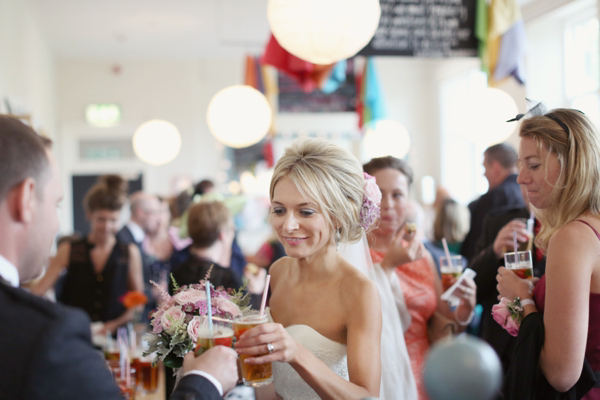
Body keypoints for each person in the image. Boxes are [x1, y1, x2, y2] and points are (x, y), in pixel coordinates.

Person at [0, 115, 237, 400]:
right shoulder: (46, 336)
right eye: (56, 204)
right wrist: (205, 379)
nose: (55, 224)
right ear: (26, 199)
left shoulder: (127, 253)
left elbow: (135, 298)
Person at [234, 138, 383, 399]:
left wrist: (297, 353)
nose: (288, 225)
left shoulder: (358, 291)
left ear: (338, 216)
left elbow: (367, 396)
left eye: (306, 212)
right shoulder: (278, 271)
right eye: (279, 210)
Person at [497, 108, 600, 399]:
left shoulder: (573, 237)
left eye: (533, 165)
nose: (520, 179)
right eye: (520, 165)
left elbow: (561, 374)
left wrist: (521, 298)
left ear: (571, 165)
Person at [364, 156, 477, 400]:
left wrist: (462, 311)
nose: (388, 204)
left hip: (427, 376)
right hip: (378, 377)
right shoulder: (353, 253)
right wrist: (388, 266)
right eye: (379, 194)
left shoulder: (420, 254)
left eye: (397, 195)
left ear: (408, 199)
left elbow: (440, 328)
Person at [33, 175, 144, 334]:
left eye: (113, 220)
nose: (107, 226)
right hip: (73, 334)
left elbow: (137, 302)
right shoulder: (69, 250)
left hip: (114, 337)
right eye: (101, 219)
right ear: (88, 214)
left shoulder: (129, 252)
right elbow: (39, 291)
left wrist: (112, 326)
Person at [468, 187, 546, 374]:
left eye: (535, 167)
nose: (523, 180)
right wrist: (494, 250)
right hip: (500, 350)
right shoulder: (498, 221)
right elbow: (471, 287)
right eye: (521, 169)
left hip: (546, 347)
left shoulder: (572, 229)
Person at [461, 143, 525, 261]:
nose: (484, 174)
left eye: (484, 167)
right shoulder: (528, 192)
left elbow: (474, 247)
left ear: (496, 167)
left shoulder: (492, 198)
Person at [170, 201, 242, 292]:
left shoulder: (176, 272)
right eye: (232, 229)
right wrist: (256, 294)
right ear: (223, 234)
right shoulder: (228, 279)